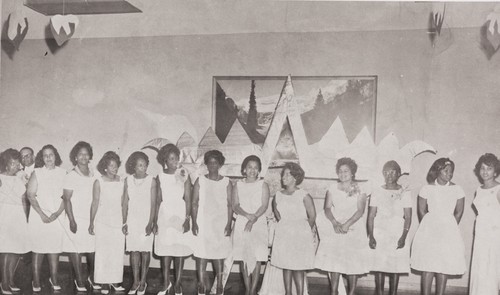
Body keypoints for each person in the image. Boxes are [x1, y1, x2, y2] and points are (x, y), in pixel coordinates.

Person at [315, 157, 370, 295]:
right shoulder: (332, 188)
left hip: (354, 226)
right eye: (340, 171)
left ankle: (351, 293)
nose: (343, 173)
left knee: (353, 262)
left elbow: (360, 210)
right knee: (335, 261)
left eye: (346, 171)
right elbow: (327, 208)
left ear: (352, 173)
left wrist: (347, 224)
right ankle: (334, 291)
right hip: (336, 226)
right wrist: (334, 223)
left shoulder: (360, 189)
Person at [410, 158, 466, 295]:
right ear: (437, 170)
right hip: (429, 231)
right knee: (428, 266)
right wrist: (431, 227)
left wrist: (448, 227)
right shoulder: (426, 188)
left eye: (451, 171)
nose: (449, 174)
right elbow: (422, 211)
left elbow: (458, 213)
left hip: (448, 231)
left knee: (443, 265)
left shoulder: (457, 189)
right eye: (446, 171)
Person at [367, 161, 412, 295]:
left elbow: (408, 217)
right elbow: (371, 216)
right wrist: (371, 235)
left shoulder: (404, 191)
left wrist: (403, 236)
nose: (389, 175)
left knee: (395, 266)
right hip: (380, 230)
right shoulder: (377, 191)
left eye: (392, 172)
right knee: (380, 265)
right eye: (386, 172)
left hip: (397, 231)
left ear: (398, 174)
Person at [191, 150, 232, 295]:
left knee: (219, 255)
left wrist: (228, 224)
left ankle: (219, 286)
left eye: (216, 162)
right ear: (206, 164)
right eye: (210, 162)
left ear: (220, 164)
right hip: (203, 222)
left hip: (219, 223)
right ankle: (201, 285)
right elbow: (194, 202)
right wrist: (194, 222)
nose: (213, 165)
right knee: (201, 254)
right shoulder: (200, 180)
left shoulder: (227, 182)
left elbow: (229, 204)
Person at [154, 144, 194, 295]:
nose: (174, 161)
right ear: (165, 160)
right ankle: (166, 283)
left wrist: (187, 218)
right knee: (165, 250)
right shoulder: (160, 176)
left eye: (176, 158)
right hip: (164, 214)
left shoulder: (183, 173)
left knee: (179, 249)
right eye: (171, 158)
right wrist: (155, 221)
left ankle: (177, 283)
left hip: (180, 212)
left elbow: (188, 199)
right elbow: (158, 200)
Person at [271, 162, 316, 295]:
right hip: (284, 233)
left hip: (300, 235)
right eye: (282, 174)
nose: (283, 177)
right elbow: (278, 215)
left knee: (298, 266)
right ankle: (288, 293)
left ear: (295, 177)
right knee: (286, 265)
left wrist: (303, 232)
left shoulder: (304, 195)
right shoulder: (278, 195)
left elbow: (312, 217)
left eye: (287, 174)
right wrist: (286, 227)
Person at [27, 144, 66, 291]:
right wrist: (42, 215)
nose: (48, 157)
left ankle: (54, 279)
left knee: (54, 249)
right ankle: (35, 281)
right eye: (45, 155)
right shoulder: (37, 172)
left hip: (57, 216)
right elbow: (30, 195)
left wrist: (57, 213)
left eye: (51, 154)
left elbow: (66, 197)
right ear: (41, 158)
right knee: (38, 249)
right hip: (39, 217)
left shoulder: (63, 173)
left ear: (56, 156)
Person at [62, 141, 99, 292]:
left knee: (92, 249)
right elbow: (66, 199)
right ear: (75, 157)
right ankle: (79, 280)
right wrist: (71, 220)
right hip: (75, 217)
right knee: (76, 249)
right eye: (80, 154)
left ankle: (92, 277)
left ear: (90, 156)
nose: (84, 156)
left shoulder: (94, 174)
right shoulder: (71, 175)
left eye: (86, 153)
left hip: (90, 217)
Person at [232, 155, 270, 295]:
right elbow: (235, 205)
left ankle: (254, 290)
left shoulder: (263, 185)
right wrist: (247, 216)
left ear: (259, 170)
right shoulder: (238, 185)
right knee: (244, 258)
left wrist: (253, 218)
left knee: (257, 257)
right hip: (242, 222)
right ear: (244, 169)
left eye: (255, 168)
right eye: (249, 167)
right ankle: (248, 290)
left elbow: (264, 205)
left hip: (258, 223)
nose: (252, 170)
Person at [89, 151, 126, 294]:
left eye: (116, 165)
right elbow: (95, 203)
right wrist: (91, 222)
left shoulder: (122, 181)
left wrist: (124, 221)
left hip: (117, 220)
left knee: (116, 251)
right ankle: (103, 282)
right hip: (102, 220)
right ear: (105, 167)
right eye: (111, 165)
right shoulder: (99, 182)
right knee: (103, 252)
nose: (114, 168)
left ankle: (115, 281)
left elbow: (124, 203)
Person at [122, 151, 156, 295]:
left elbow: (154, 204)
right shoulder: (127, 180)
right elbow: (124, 203)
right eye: (139, 165)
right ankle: (135, 281)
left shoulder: (152, 181)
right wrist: (124, 222)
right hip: (132, 219)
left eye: (145, 165)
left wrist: (150, 222)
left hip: (145, 220)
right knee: (134, 250)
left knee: (145, 251)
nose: (143, 167)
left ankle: (143, 281)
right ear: (133, 166)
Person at [469, 153, 500, 295]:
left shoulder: (499, 189)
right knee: (480, 269)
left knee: (491, 269)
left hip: (494, 236)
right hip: (481, 235)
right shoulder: (478, 190)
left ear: (495, 171)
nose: (485, 172)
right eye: (482, 168)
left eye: (489, 168)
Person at [0, 149, 29, 294]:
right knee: (5, 250)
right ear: (6, 164)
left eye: (18, 164)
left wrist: (26, 220)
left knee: (16, 250)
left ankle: (10, 280)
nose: (16, 166)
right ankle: (4, 283)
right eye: (13, 163)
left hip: (18, 218)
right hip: (4, 218)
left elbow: (24, 201)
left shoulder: (19, 179)